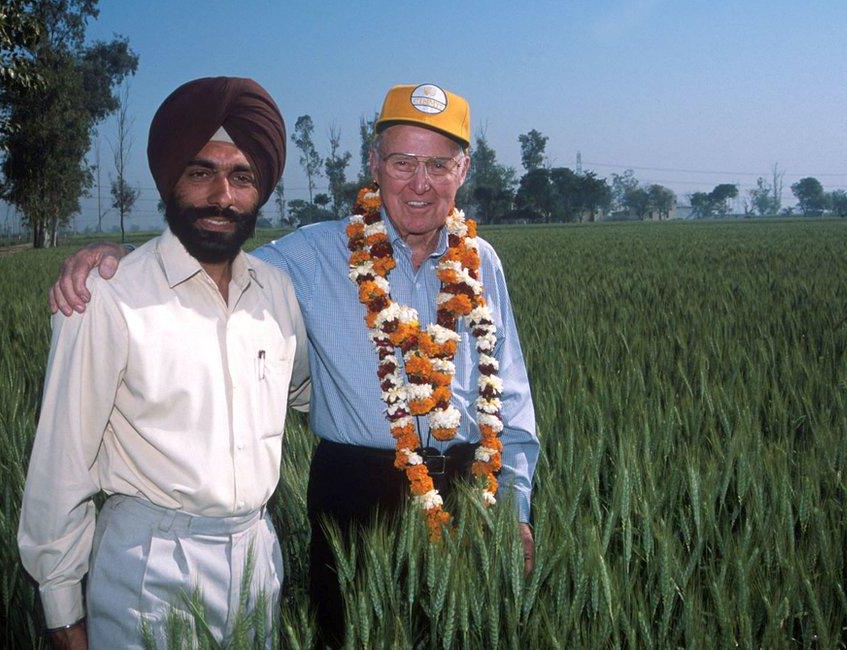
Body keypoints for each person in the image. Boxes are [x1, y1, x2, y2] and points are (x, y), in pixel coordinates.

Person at [50, 83, 539, 646]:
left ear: (464, 169)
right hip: (356, 503)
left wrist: (517, 509)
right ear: (374, 165)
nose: (420, 183)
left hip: (470, 492)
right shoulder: (310, 255)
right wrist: (119, 263)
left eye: (439, 164)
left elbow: (513, 397)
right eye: (403, 162)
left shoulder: (482, 262)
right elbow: (210, 254)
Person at [19, 76, 310, 649]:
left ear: (261, 190)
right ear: (170, 178)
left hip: (257, 562)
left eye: (242, 176)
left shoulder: (277, 293)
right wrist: (63, 615)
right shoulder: (108, 296)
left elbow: (307, 393)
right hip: (147, 571)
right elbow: (62, 462)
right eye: (201, 172)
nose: (222, 195)